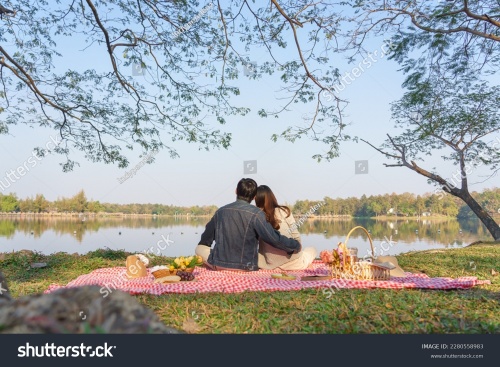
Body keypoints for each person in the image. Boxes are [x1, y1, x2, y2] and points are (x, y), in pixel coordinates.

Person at [195, 178, 301, 271]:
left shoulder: (220, 212)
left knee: (199, 248)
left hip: (220, 265)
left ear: (236, 191)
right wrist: (294, 245)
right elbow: (274, 239)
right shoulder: (257, 214)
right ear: (254, 196)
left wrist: (217, 253)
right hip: (246, 267)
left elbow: (205, 240)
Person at [255, 185, 317, 270]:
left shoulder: (256, 216)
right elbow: (297, 237)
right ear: (272, 197)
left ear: (256, 200)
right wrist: (298, 249)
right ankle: (306, 263)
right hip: (293, 263)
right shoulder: (284, 211)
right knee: (312, 249)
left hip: (270, 265)